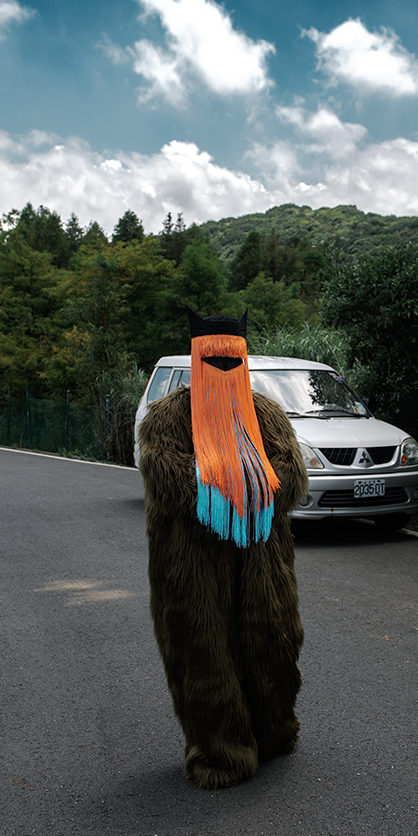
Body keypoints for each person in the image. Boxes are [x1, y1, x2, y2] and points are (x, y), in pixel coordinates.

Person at [138, 309, 308, 789]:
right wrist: (221, 484)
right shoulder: (167, 417)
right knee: (203, 650)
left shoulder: (264, 412)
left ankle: (273, 731)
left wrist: (253, 489)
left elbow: (292, 473)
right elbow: (163, 475)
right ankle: (221, 750)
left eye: (232, 360)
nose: (223, 369)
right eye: (212, 360)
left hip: (261, 555)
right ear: (196, 358)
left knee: (272, 640)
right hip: (191, 559)